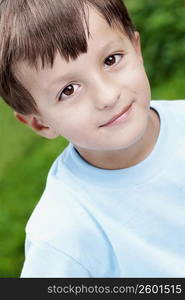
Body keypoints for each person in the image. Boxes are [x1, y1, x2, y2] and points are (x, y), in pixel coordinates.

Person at [0, 0, 185, 278]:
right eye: (69, 90)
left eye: (111, 60)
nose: (107, 96)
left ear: (136, 49)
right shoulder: (62, 237)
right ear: (39, 122)